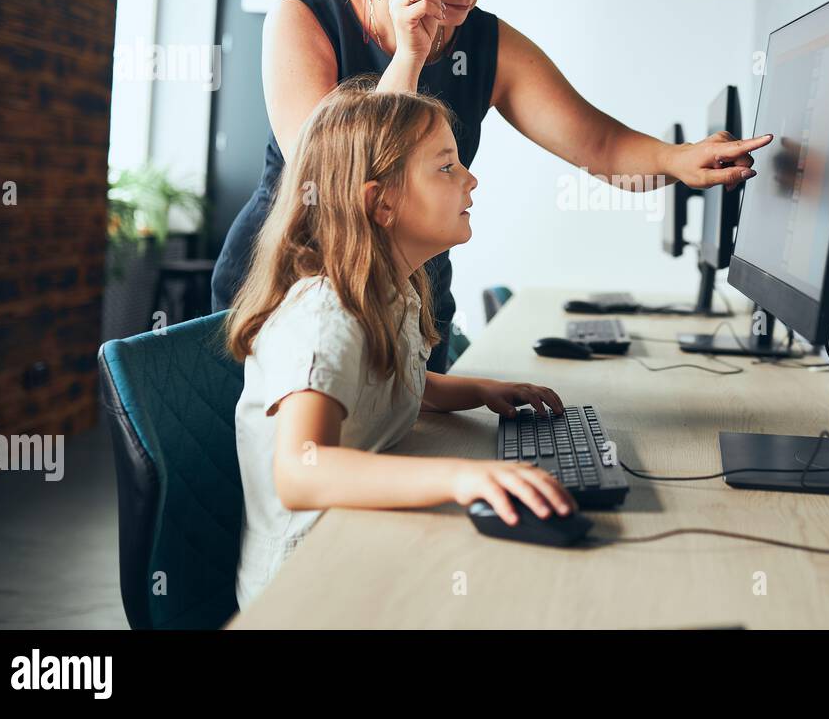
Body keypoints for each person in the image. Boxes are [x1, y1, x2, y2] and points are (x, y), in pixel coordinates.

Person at [211, 0, 772, 374]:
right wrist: (408, 54)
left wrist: (681, 161)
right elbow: (340, 180)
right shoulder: (304, 21)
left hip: (412, 304)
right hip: (294, 298)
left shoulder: (485, 42)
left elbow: (598, 145)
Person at [225, 80, 575, 609]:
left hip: (357, 539)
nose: (471, 180)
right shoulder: (324, 317)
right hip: (306, 587)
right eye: (446, 167)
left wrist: (479, 389)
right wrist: (462, 477)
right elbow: (302, 469)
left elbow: (384, 382)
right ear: (382, 202)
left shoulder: (388, 292)